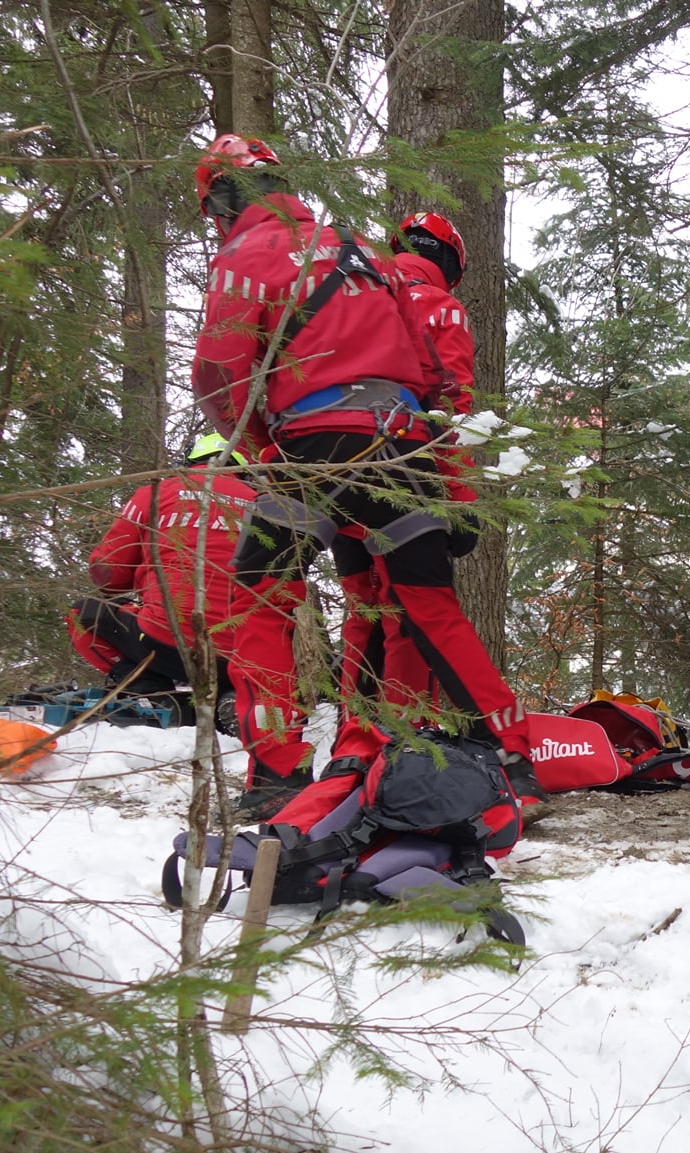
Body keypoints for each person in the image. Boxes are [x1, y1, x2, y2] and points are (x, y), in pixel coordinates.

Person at [188, 134, 535, 820]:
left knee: (259, 593)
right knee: (424, 604)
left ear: (223, 203)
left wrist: (261, 448)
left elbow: (220, 372)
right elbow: (436, 378)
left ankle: (280, 768)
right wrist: (453, 492)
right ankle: (509, 752)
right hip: (401, 449)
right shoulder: (362, 252)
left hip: (312, 449)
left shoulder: (245, 255)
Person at [326, 211, 480, 774]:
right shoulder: (441, 307)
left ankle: (352, 743)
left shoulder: (357, 289)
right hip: (402, 468)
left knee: (362, 609)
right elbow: (448, 408)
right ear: (450, 263)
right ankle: (401, 743)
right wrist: (458, 500)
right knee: (408, 615)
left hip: (327, 463)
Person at [69, 432, 257, 719]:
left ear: (189, 461)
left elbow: (107, 572)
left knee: (82, 615)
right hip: (246, 653)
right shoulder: (263, 505)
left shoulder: (155, 494)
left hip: (166, 639)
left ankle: (150, 692)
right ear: (244, 467)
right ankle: (229, 699)